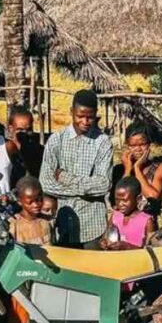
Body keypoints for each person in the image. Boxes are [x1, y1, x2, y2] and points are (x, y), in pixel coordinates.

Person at [40, 89, 113, 249]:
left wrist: (65, 178)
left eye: (90, 117)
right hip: (62, 223)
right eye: (80, 116)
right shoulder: (56, 140)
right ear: (71, 112)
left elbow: (103, 185)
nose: (85, 121)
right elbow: (45, 183)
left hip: (92, 226)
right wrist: (86, 189)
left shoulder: (103, 142)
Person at [111, 121, 162, 219]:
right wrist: (128, 170)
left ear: (149, 144)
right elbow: (117, 202)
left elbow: (153, 197)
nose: (138, 149)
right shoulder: (119, 169)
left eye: (142, 144)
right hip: (124, 224)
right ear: (127, 146)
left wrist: (137, 169)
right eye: (133, 146)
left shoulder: (160, 167)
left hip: (147, 225)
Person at [103, 176, 155, 250]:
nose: (120, 204)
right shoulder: (115, 216)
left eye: (125, 200)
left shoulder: (147, 221)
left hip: (135, 260)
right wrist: (104, 242)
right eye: (117, 200)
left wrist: (127, 247)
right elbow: (106, 236)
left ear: (138, 199)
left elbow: (151, 251)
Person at [10, 176, 52, 246]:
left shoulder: (47, 221)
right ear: (19, 201)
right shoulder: (13, 224)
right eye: (30, 202)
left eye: (38, 200)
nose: (35, 205)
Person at [8, 105, 44, 182]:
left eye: (28, 130)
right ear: (11, 129)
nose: (25, 134)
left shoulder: (39, 151)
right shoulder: (4, 151)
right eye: (20, 130)